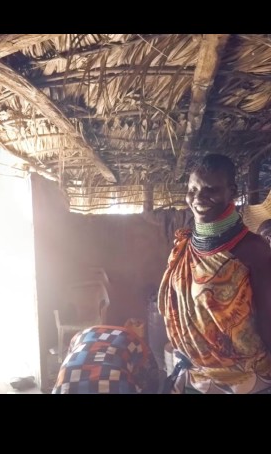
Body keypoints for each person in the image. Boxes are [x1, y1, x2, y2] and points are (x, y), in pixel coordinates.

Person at [158, 153, 271, 394]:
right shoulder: (184, 247)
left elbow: (267, 317)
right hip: (196, 378)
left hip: (246, 381)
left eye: (211, 189)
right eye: (193, 189)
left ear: (232, 191)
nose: (199, 197)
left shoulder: (253, 249)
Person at [51, 323, 160, 394]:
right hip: (116, 380)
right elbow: (150, 380)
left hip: (67, 382)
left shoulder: (79, 339)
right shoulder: (138, 346)